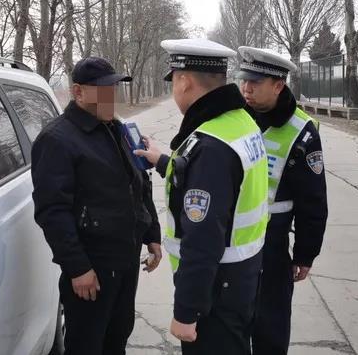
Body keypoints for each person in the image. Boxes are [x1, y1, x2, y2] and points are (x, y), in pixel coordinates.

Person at [135, 38, 269, 355]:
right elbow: (219, 185)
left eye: (174, 82)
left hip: (215, 289)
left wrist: (187, 311)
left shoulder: (210, 146)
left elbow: (203, 237)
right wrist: (163, 161)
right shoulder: (240, 123)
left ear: (184, 81)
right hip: (241, 276)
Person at [31, 56, 162, 355]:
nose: (111, 97)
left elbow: (138, 183)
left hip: (126, 259)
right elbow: (52, 212)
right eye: (103, 90)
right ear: (78, 92)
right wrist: (78, 267)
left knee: (118, 336)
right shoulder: (57, 140)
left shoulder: (116, 128)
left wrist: (151, 234)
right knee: (87, 345)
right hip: (93, 266)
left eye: (113, 89)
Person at [236, 46, 328, 355]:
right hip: (231, 243)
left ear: (278, 85)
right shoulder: (234, 118)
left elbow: (312, 199)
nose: (246, 88)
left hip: (272, 248)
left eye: (255, 82)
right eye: (244, 80)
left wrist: (305, 253)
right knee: (230, 325)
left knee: (270, 326)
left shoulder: (302, 132)